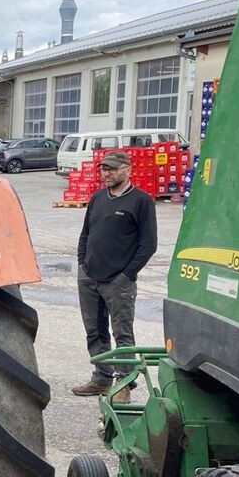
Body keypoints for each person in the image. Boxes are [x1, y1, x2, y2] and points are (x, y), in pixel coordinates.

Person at [71, 150, 158, 401]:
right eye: (104, 169)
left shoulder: (141, 201)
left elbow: (148, 244)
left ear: (127, 169)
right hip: (89, 277)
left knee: (122, 333)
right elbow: (85, 234)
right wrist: (81, 265)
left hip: (118, 282)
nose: (106, 173)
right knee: (94, 331)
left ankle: (124, 384)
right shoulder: (97, 198)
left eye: (112, 168)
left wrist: (127, 275)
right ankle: (101, 378)